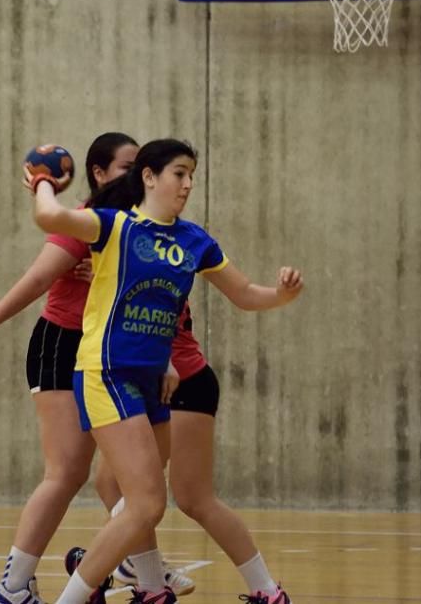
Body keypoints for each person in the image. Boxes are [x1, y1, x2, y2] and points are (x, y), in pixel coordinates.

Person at [25, 138, 303, 604]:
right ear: (149, 177)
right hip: (106, 372)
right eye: (179, 173)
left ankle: (153, 587)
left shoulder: (194, 240)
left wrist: (282, 295)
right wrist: (43, 183)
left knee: (143, 504)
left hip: (154, 381)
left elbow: (247, 294)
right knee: (145, 504)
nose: (188, 183)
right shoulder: (114, 226)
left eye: (192, 174)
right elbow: (49, 218)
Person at [0, 133, 194, 604]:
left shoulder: (146, 225)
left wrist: (165, 358)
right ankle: (13, 585)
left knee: (132, 479)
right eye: (127, 166)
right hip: (64, 345)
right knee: (65, 471)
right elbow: (39, 276)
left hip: (119, 356)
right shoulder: (88, 220)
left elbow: (153, 302)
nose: (138, 172)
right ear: (101, 174)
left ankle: (146, 581)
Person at [94, 300, 293, 603]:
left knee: (194, 499)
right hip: (148, 383)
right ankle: (151, 580)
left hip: (181, 383)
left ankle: (267, 590)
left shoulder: (151, 263)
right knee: (111, 484)